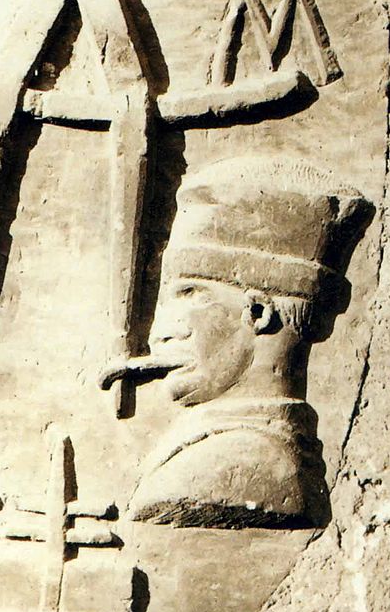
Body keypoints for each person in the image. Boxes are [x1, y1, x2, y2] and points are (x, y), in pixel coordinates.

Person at [129, 155, 373, 529]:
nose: (161, 330)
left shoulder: (222, 468)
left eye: (191, 294)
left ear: (258, 313)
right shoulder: (269, 452)